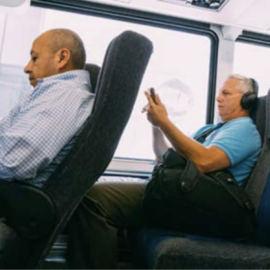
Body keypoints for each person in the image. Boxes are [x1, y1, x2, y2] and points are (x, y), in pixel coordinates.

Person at [67, 74, 261, 270]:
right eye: (219, 92)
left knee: (96, 199)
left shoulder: (244, 130)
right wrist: (156, 127)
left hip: (205, 206)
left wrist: (165, 122)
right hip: (185, 195)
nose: (218, 98)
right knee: (97, 194)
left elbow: (205, 162)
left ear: (248, 99)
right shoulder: (209, 130)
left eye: (226, 93)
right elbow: (163, 157)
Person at [0, 28, 95, 187]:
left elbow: (11, 163)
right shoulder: (51, 93)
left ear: (62, 58)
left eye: (34, 58)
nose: (27, 68)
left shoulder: (65, 95)